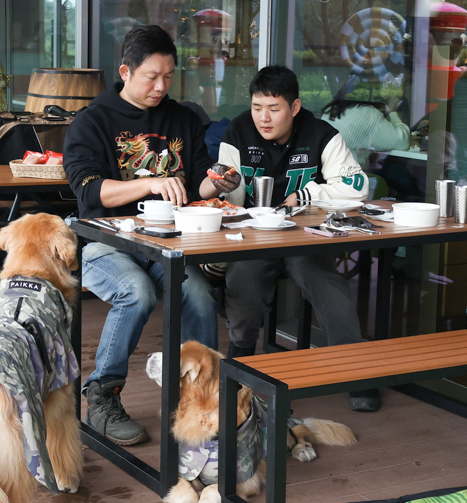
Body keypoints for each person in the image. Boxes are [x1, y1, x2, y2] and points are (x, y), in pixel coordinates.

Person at [63, 25, 240, 446]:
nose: (161, 86)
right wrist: (150, 183)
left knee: (199, 296)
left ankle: (201, 397)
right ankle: (102, 395)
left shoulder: (183, 119)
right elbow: (90, 191)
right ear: (126, 72)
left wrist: (220, 182)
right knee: (136, 292)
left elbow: (196, 185)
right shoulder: (92, 121)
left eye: (168, 76)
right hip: (103, 242)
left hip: (164, 244)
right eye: (151, 77)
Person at [215, 66, 381, 412]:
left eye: (273, 108)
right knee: (244, 279)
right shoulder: (238, 131)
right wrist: (226, 190)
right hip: (253, 236)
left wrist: (308, 194)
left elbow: (357, 187)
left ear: (294, 107)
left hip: (304, 237)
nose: (263, 117)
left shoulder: (321, 134)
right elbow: (229, 197)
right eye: (257, 107)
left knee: (330, 287)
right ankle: (241, 361)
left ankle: (356, 370)